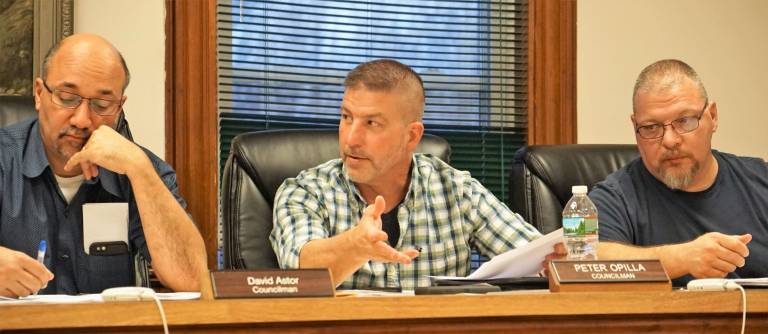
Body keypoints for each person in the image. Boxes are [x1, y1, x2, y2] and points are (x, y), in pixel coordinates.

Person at [270, 59, 563, 289]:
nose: (351, 139)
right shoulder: (306, 191)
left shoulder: (456, 190)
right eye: (347, 118)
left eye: (372, 123)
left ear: (412, 136)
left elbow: (534, 255)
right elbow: (300, 274)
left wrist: (556, 260)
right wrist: (355, 245)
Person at [0, 34, 207, 297]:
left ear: (120, 108)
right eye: (67, 97)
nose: (83, 119)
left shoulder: (141, 170)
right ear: (40, 94)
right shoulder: (4, 159)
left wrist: (140, 170)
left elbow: (193, 280)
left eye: (102, 104)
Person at [591, 59, 768, 286]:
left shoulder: (761, 181)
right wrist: (681, 259)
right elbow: (587, 259)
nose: (670, 140)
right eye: (651, 127)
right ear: (635, 127)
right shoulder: (615, 197)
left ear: (712, 116)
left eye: (685, 121)